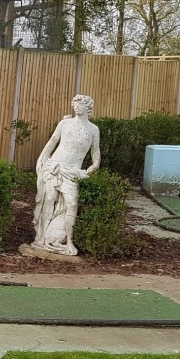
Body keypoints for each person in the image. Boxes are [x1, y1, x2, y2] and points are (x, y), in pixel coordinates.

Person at [31, 94, 101, 256]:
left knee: (72, 204)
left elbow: (95, 150)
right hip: (55, 165)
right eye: (75, 104)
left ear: (88, 107)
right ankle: (41, 238)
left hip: (73, 171)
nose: (76, 107)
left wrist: (95, 164)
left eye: (80, 104)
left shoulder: (93, 129)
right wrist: (43, 160)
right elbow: (52, 142)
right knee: (48, 200)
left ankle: (68, 241)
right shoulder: (65, 123)